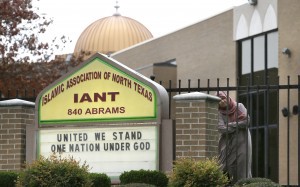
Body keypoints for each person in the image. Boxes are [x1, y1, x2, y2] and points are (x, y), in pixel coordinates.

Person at [215, 91, 252, 184]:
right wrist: (238, 123)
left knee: (242, 166)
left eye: (223, 98)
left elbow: (247, 121)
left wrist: (229, 125)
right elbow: (221, 129)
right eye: (219, 100)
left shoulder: (239, 106)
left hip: (242, 140)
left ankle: (243, 184)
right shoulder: (218, 112)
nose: (222, 101)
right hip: (227, 144)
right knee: (224, 167)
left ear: (227, 97)